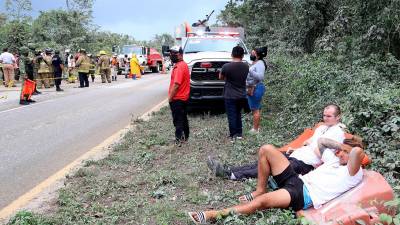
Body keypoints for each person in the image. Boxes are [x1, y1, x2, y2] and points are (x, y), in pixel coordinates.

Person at [188, 137, 365, 224]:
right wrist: (342, 147)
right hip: (297, 180)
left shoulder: (354, 172)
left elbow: (357, 153)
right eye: (340, 150)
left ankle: (214, 214)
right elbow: (321, 142)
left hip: (302, 195)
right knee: (266, 149)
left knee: (262, 202)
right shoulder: (335, 160)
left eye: (343, 152)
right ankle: (260, 188)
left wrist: (352, 149)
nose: (339, 153)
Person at [207, 104, 345, 181]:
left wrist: (313, 146)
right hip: (297, 155)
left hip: (306, 164)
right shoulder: (321, 127)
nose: (325, 118)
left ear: (338, 117)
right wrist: (297, 149)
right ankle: (230, 169)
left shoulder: (338, 133)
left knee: (271, 167)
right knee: (262, 161)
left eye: (329, 116)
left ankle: (232, 175)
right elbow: (309, 142)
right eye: (324, 115)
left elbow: (323, 155)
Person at [219, 46, 249, 141]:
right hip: (241, 95)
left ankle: (233, 136)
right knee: (238, 114)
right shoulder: (246, 66)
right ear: (242, 55)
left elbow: (220, 77)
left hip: (230, 95)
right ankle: (239, 134)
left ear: (232, 54)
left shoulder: (226, 66)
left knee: (231, 115)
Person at [168, 46, 190, 146]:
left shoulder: (179, 67)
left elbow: (176, 84)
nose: (171, 55)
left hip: (178, 98)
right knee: (183, 118)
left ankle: (179, 139)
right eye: (171, 53)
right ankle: (186, 136)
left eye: (174, 53)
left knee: (178, 120)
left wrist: (170, 98)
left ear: (180, 54)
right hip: (184, 98)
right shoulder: (183, 65)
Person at [247, 47, 268, 134]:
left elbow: (260, 77)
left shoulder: (260, 63)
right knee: (255, 108)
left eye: (253, 53)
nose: (251, 55)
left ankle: (255, 129)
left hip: (256, 87)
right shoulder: (255, 62)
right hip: (253, 87)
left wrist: (249, 71)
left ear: (258, 55)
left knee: (255, 109)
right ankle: (256, 127)